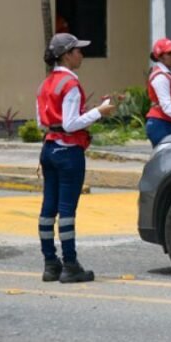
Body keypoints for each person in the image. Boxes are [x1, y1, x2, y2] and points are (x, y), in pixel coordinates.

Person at [36, 33, 115, 283]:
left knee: (48, 209)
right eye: (78, 51)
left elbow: (41, 122)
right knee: (67, 211)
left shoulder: (45, 84)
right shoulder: (70, 84)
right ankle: (70, 265)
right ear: (67, 55)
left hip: (49, 149)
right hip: (69, 152)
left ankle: (50, 264)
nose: (82, 55)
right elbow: (70, 124)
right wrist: (99, 112)